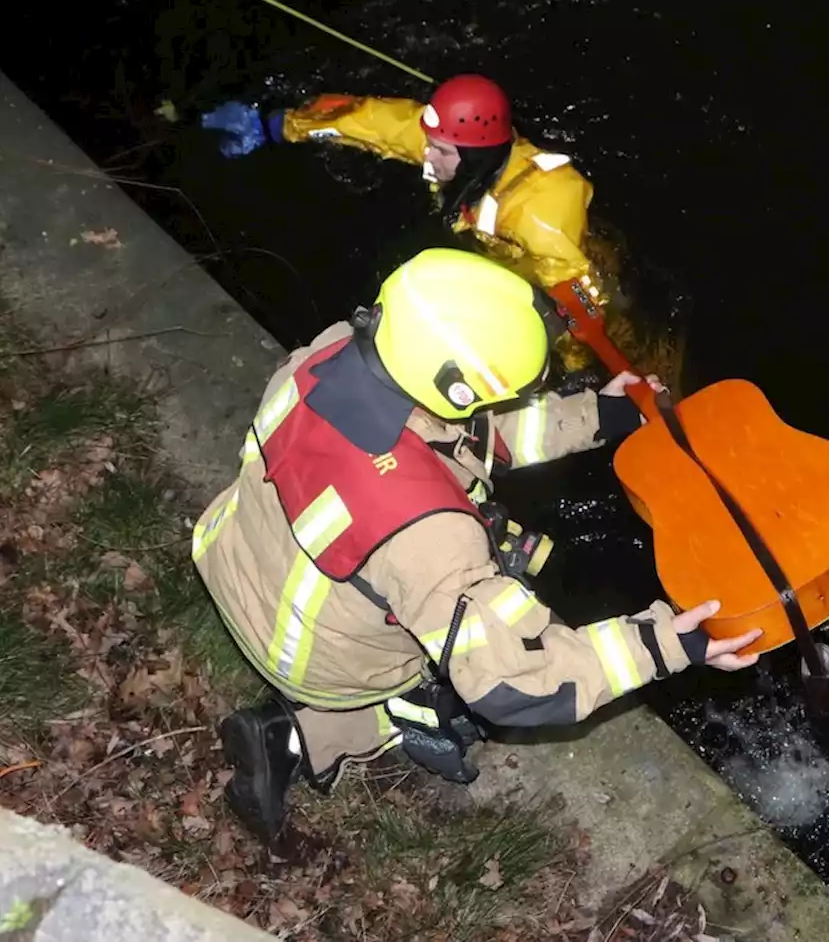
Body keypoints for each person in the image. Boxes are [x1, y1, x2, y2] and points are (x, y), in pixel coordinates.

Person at [190, 248, 760, 845]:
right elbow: (522, 685)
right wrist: (670, 642)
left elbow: (455, 436)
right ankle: (307, 730)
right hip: (304, 653)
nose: (499, 407)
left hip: (236, 554)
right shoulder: (432, 533)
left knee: (462, 579)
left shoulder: (332, 351)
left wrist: (601, 415)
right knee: (469, 692)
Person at [199, 73, 665, 378]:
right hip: (495, 239)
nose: (427, 155)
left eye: (442, 151)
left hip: (564, 263)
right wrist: (276, 126)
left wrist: (575, 364)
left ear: (477, 155)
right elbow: (364, 122)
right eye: (431, 142)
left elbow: (583, 306)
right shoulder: (448, 150)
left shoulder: (538, 216)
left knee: (612, 327)